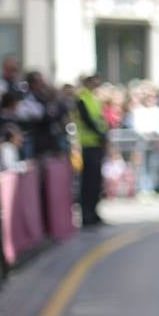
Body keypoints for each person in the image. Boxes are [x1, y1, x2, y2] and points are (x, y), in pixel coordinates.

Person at [74, 74, 108, 227]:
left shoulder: (95, 99)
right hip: (88, 145)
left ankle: (94, 212)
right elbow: (87, 121)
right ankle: (86, 215)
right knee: (87, 182)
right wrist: (101, 135)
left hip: (96, 144)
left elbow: (100, 120)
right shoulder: (82, 99)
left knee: (96, 182)